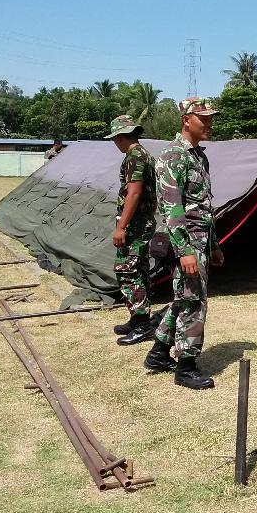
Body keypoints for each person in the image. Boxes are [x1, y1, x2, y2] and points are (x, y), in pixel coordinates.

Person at [145, 97, 225, 389]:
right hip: (186, 243)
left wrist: (213, 244)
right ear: (186, 120)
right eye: (203, 118)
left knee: (183, 298)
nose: (209, 124)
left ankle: (157, 354)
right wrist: (185, 251)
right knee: (193, 303)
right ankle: (186, 367)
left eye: (210, 118)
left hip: (201, 241)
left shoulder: (199, 156)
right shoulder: (173, 155)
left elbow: (203, 206)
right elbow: (172, 208)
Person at [106, 115, 157, 347]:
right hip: (142, 222)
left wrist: (121, 227)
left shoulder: (135, 157)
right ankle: (138, 317)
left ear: (120, 137)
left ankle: (142, 324)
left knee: (127, 271)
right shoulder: (143, 154)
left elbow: (134, 193)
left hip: (135, 225)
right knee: (140, 270)